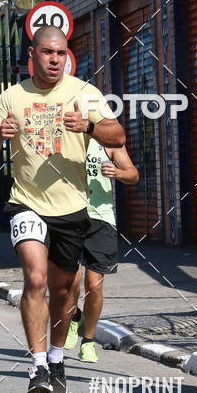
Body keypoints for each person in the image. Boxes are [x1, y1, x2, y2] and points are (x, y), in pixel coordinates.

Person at [0, 25, 126, 393]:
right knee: (36, 278)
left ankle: (58, 357)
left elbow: (118, 136)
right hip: (26, 201)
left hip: (73, 208)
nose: (54, 59)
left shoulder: (84, 93)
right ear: (33, 54)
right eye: (47, 52)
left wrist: (89, 126)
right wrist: (0, 135)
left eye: (60, 53)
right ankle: (38, 364)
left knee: (64, 291)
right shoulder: (12, 96)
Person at [65, 140, 139, 362]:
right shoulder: (66, 140)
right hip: (69, 217)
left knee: (94, 286)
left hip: (101, 219)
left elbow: (133, 175)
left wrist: (117, 172)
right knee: (70, 281)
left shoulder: (110, 143)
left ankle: (88, 342)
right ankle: (74, 317)